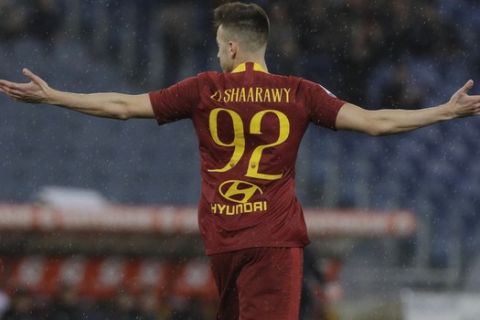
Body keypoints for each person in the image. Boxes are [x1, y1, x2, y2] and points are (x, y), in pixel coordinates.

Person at [1, 2, 479, 319]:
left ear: (231, 46)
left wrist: (55, 96)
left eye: (218, 45)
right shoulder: (300, 93)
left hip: (224, 239)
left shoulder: (203, 89)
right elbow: (377, 123)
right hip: (273, 241)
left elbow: (123, 106)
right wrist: (443, 110)